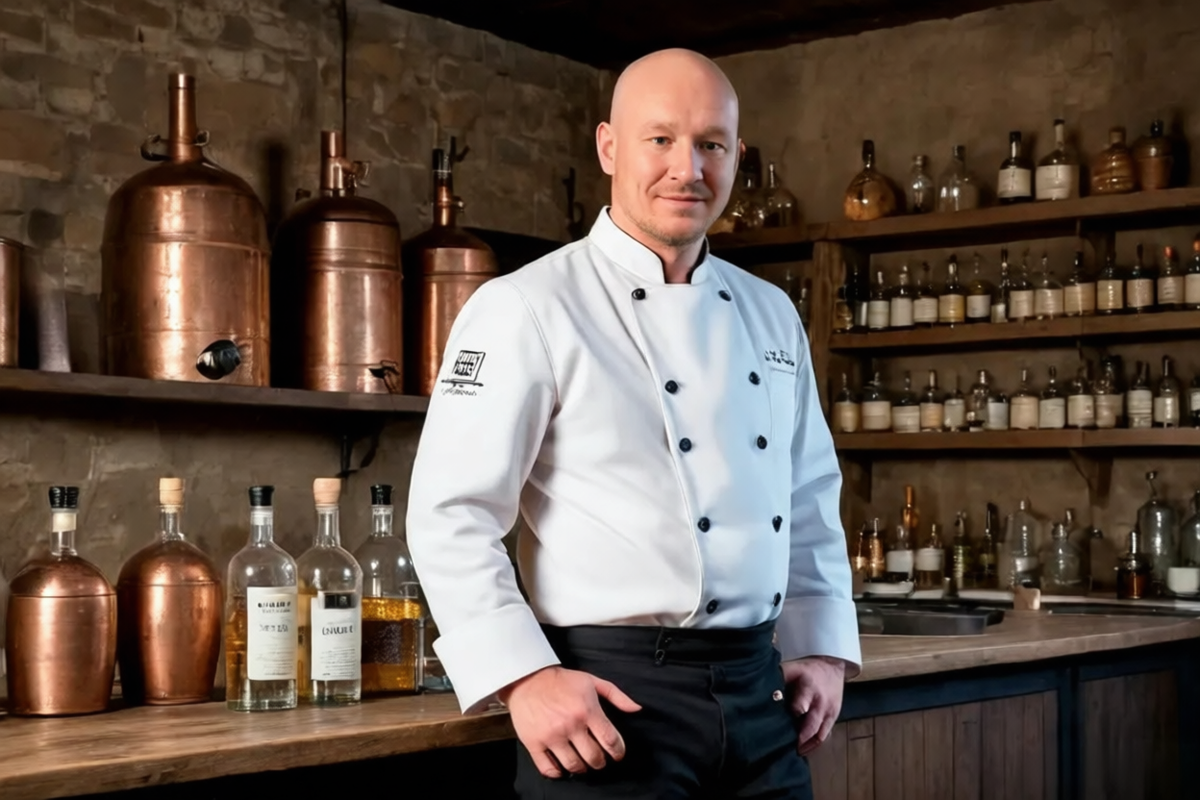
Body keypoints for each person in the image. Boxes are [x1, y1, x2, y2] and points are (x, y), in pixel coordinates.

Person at [407, 48, 861, 799]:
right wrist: (525, 677)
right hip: (609, 704)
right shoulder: (524, 306)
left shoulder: (771, 312)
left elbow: (808, 492)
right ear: (609, 147)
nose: (688, 168)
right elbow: (452, 513)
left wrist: (821, 647)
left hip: (763, 697)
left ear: (736, 156)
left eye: (711, 144)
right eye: (661, 139)